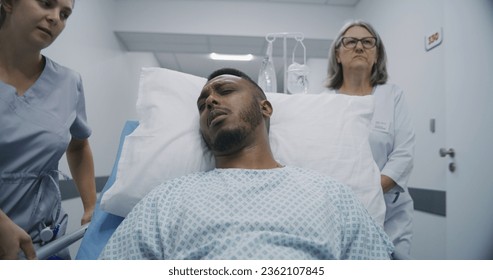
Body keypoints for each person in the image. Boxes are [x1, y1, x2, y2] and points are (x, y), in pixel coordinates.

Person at [99, 68, 394, 260]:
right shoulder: (166, 199)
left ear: (265, 108)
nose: (210, 102)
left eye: (224, 92)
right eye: (202, 104)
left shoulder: (329, 194)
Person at [0, 0, 96, 259]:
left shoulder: (68, 83)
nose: (55, 18)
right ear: (8, 3)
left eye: (65, 14)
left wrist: (90, 205)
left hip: (46, 244)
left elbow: (78, 145)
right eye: (46, 4)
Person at [324, 20, 415, 259]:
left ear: (376, 55)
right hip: (338, 211)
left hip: (389, 212)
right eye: (350, 41)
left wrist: (369, 192)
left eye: (367, 42)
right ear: (338, 53)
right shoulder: (324, 101)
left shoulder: (392, 95)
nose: (359, 47)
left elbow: (403, 154)